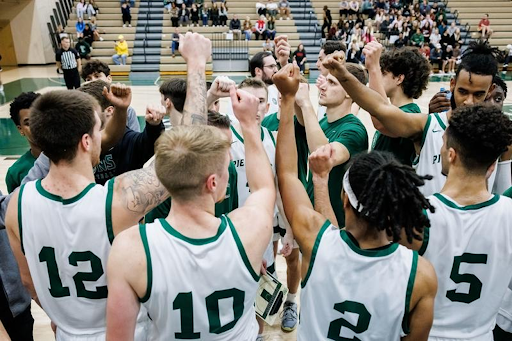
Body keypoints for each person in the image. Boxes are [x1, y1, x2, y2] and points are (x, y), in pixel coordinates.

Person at [106, 33, 276, 341]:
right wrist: (250, 127)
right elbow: (265, 188)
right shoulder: (250, 231)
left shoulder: (130, 249)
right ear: (213, 183)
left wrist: (196, 64)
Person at [273, 62, 438, 341]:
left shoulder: (317, 244)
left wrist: (288, 100)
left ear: (345, 200)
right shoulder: (420, 274)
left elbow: (287, 172)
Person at [5, 86, 168, 340]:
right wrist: (196, 64)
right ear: (86, 141)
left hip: (68, 333)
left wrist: (60, 317)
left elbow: (28, 281)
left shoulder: (16, 205)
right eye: (98, 129)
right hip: (128, 332)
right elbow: (187, 155)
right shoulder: (116, 202)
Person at [324, 40, 510, 197]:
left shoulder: (500, 136)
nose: (468, 102)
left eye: (478, 94)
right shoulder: (427, 125)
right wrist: (343, 75)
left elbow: (502, 192)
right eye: (462, 91)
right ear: (452, 84)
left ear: (490, 90)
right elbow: (379, 108)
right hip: (428, 234)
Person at [400, 104, 512, 340]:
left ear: (451, 155)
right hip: (482, 335)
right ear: (492, 166)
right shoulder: (509, 213)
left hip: (426, 334)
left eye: (443, 143)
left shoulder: (417, 213)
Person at [294, 62, 368, 227]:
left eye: (332, 83)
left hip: (337, 225)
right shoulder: (323, 123)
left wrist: (306, 103)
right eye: (325, 81)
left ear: (350, 92)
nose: (323, 87)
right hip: (314, 217)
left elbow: (322, 155)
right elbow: (303, 123)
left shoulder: (354, 130)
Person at [79, 80, 165, 185]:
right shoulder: (80, 140)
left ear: (109, 110)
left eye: (89, 111)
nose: (84, 116)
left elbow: (148, 143)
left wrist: (154, 125)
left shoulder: (127, 139)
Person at [365, 43, 431, 166]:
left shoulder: (411, 113)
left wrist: (373, 68)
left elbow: (380, 120)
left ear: (399, 79)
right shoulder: (399, 110)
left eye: (383, 74)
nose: (377, 78)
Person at [81, 59, 140, 132]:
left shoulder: (127, 111)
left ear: (109, 79)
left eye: (97, 76)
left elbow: (135, 140)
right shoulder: (84, 111)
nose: (93, 81)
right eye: (88, 79)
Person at [6, 93, 42, 194]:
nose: (36, 126)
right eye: (28, 123)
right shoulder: (15, 173)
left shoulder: (71, 157)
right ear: (20, 129)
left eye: (39, 119)